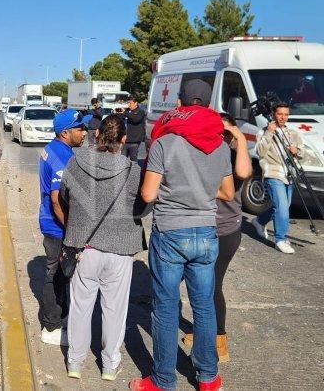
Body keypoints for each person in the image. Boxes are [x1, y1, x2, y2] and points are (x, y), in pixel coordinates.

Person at [129, 79, 235, 391]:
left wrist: (172, 189)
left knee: (165, 307)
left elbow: (148, 194)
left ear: (180, 104)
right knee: (204, 306)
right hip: (206, 232)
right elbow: (228, 191)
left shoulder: (164, 143)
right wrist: (200, 191)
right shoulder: (220, 145)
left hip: (171, 233)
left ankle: (163, 380)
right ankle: (208, 377)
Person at [58, 114, 145, 381]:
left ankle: (75, 362)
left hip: (84, 246)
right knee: (114, 311)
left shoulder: (75, 162)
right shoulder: (133, 171)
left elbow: (64, 197)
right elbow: (143, 207)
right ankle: (110, 365)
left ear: (97, 135)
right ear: (124, 139)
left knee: (80, 307)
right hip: (119, 249)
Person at [182, 113, 252, 363]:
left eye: (224, 132)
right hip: (202, 226)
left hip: (225, 230)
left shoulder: (235, 156)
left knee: (212, 285)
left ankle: (219, 339)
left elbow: (244, 171)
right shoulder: (205, 153)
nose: (219, 136)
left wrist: (240, 138)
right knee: (199, 284)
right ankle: (204, 330)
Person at [38, 109, 91, 345]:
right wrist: (72, 229)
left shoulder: (54, 148)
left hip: (51, 223)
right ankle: (52, 327)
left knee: (59, 274)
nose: (84, 132)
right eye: (80, 128)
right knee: (57, 275)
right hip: (57, 227)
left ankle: (59, 318)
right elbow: (57, 200)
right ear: (65, 132)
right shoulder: (63, 158)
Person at [251, 102, 303, 254]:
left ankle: (259, 221)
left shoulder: (292, 133)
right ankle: (280, 239)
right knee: (282, 208)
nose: (283, 117)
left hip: (289, 174)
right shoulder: (263, 131)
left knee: (282, 207)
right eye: (280, 114)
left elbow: (302, 153)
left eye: (286, 114)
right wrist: (269, 133)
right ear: (274, 114)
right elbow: (260, 152)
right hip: (272, 173)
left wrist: (296, 150)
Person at [122, 98, 146, 162]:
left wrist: (125, 113)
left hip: (134, 140)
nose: (129, 105)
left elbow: (135, 119)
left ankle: (134, 171)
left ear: (136, 103)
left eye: (130, 103)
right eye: (128, 103)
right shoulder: (127, 111)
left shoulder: (140, 112)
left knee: (133, 159)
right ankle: (123, 171)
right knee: (122, 159)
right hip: (125, 139)